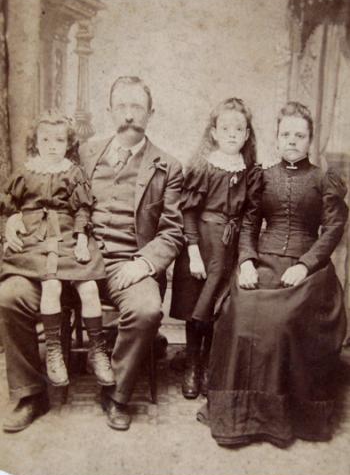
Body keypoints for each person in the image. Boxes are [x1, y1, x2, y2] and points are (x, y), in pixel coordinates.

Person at [1, 76, 184, 432]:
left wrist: (144, 263)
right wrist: (10, 222)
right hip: (66, 257)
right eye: (121, 106)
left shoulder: (168, 166)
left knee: (146, 309)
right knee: (10, 296)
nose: (129, 115)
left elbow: (172, 231)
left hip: (124, 264)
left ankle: (115, 392)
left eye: (137, 107)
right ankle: (29, 394)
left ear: (151, 112)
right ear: (109, 110)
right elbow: (37, 192)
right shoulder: (83, 153)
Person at [204, 101, 348, 447]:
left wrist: (305, 264)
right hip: (263, 262)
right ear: (277, 137)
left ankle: (283, 417)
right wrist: (247, 261)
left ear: (310, 139)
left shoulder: (322, 178)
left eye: (300, 135)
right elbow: (250, 223)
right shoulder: (263, 176)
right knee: (240, 313)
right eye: (286, 134)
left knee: (281, 320)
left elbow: (333, 227)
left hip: (307, 269)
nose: (292, 141)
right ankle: (240, 416)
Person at [1, 111, 113, 394]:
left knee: (88, 287)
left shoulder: (73, 172)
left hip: (66, 236)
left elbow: (82, 209)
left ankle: (97, 350)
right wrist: (10, 225)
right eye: (46, 139)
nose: (52, 145)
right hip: (35, 240)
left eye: (59, 140)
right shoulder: (26, 172)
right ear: (36, 142)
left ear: (69, 143)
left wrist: (80, 239)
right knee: (50, 284)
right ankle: (53, 351)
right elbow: (7, 205)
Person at [170, 98, 261, 399]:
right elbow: (189, 213)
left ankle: (209, 364)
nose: (232, 134)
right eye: (226, 128)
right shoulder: (203, 168)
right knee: (197, 306)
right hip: (203, 245)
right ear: (214, 133)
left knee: (217, 308)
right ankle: (192, 365)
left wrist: (244, 256)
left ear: (247, 135)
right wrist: (193, 251)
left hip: (230, 246)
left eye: (239, 129)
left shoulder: (250, 173)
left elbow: (250, 218)